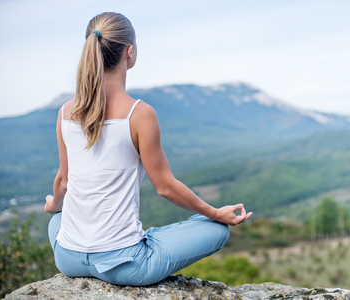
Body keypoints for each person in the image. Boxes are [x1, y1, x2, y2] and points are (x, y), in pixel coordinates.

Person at [45, 12, 252, 286]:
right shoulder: (139, 114)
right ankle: (141, 240)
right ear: (129, 53)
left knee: (55, 222)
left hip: (68, 258)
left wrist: (54, 205)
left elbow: (64, 180)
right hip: (125, 265)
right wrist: (215, 213)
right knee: (217, 231)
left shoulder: (65, 112)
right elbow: (165, 187)